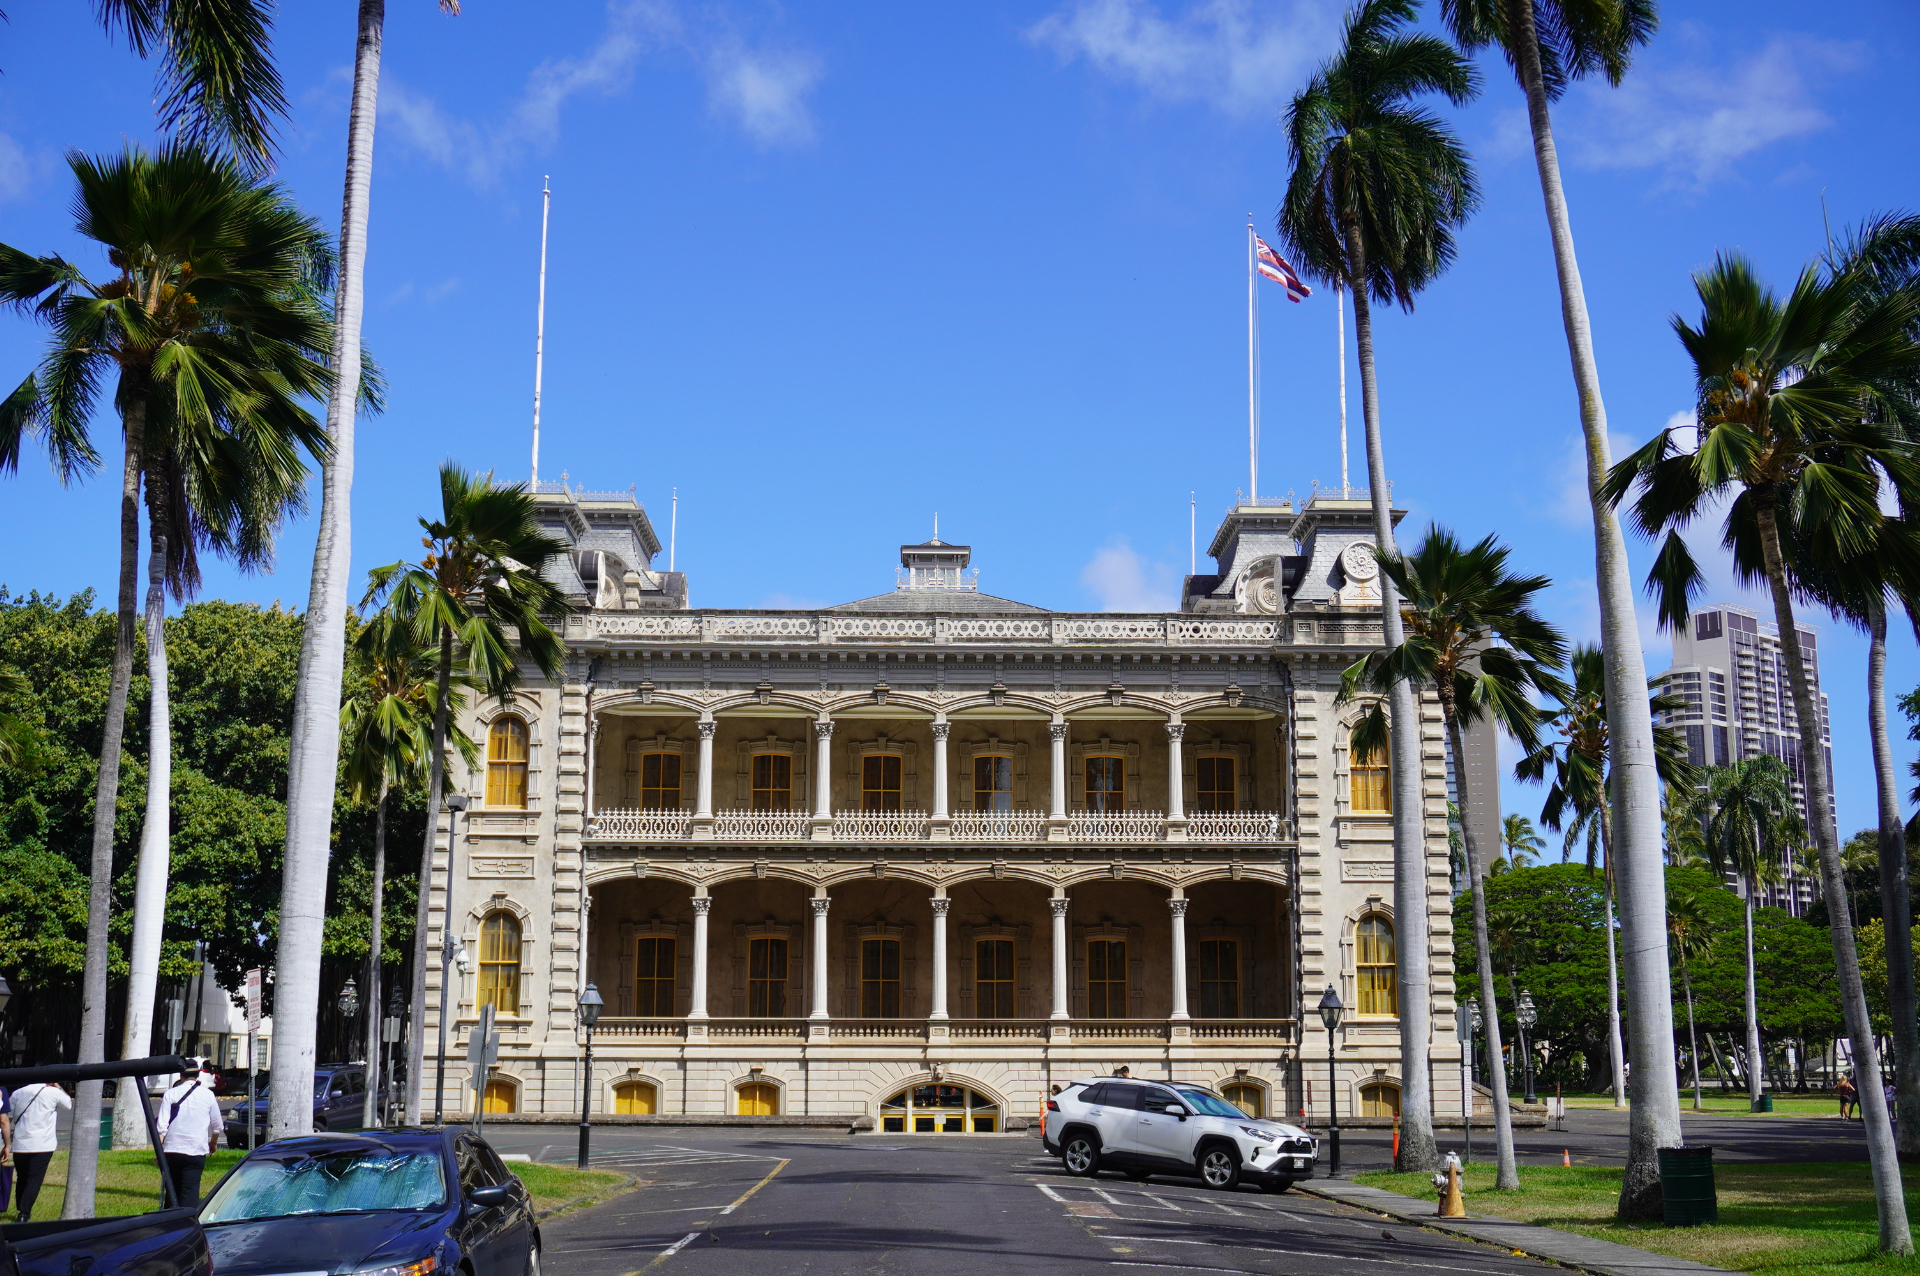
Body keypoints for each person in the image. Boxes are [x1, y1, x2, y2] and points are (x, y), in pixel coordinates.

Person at [156, 1059, 224, 1208]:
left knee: (172, 1192)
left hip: (172, 1150)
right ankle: (188, 1219)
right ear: (198, 1075)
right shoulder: (208, 1095)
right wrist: (213, 1143)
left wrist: (159, 1152)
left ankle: (170, 1219)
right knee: (190, 1191)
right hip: (196, 1151)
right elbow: (217, 1126)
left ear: (181, 1076)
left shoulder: (170, 1094)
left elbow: (162, 1127)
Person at [9, 1078, 69, 1221]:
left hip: (20, 1143)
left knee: (22, 1177)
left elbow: (8, 1117)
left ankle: (21, 1208)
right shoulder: (53, 1092)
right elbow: (68, 1104)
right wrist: (58, 1086)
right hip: (43, 1144)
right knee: (34, 1179)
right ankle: (24, 1212)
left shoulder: (18, 1093)